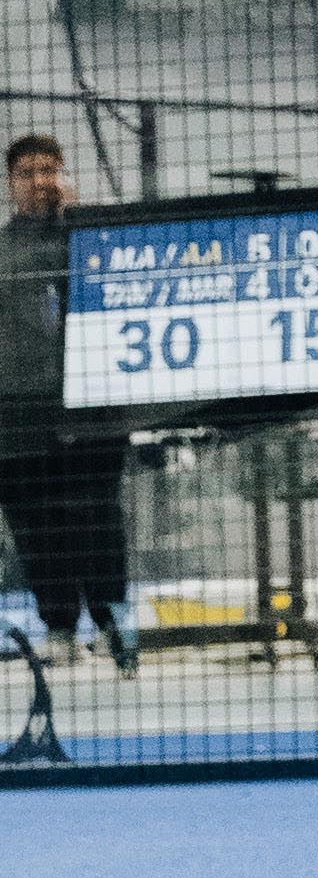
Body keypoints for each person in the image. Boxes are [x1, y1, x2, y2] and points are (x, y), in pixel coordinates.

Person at [0, 133, 135, 675]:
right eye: (29, 172)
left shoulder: (94, 239)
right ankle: (57, 627)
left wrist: (81, 224)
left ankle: (111, 624)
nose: (41, 182)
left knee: (97, 516)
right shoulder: (3, 249)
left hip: (93, 405)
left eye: (50, 170)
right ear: (11, 184)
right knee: (36, 524)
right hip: (18, 414)